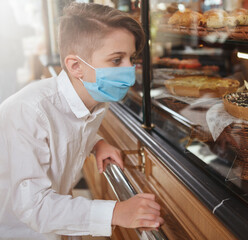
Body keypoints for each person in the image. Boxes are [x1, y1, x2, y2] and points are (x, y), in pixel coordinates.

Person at [0, 3, 164, 239]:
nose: (130, 69)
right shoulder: (28, 112)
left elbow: (68, 128)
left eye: (131, 58)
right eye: (117, 60)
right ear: (76, 66)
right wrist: (116, 212)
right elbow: (33, 208)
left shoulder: (92, 96)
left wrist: (96, 143)